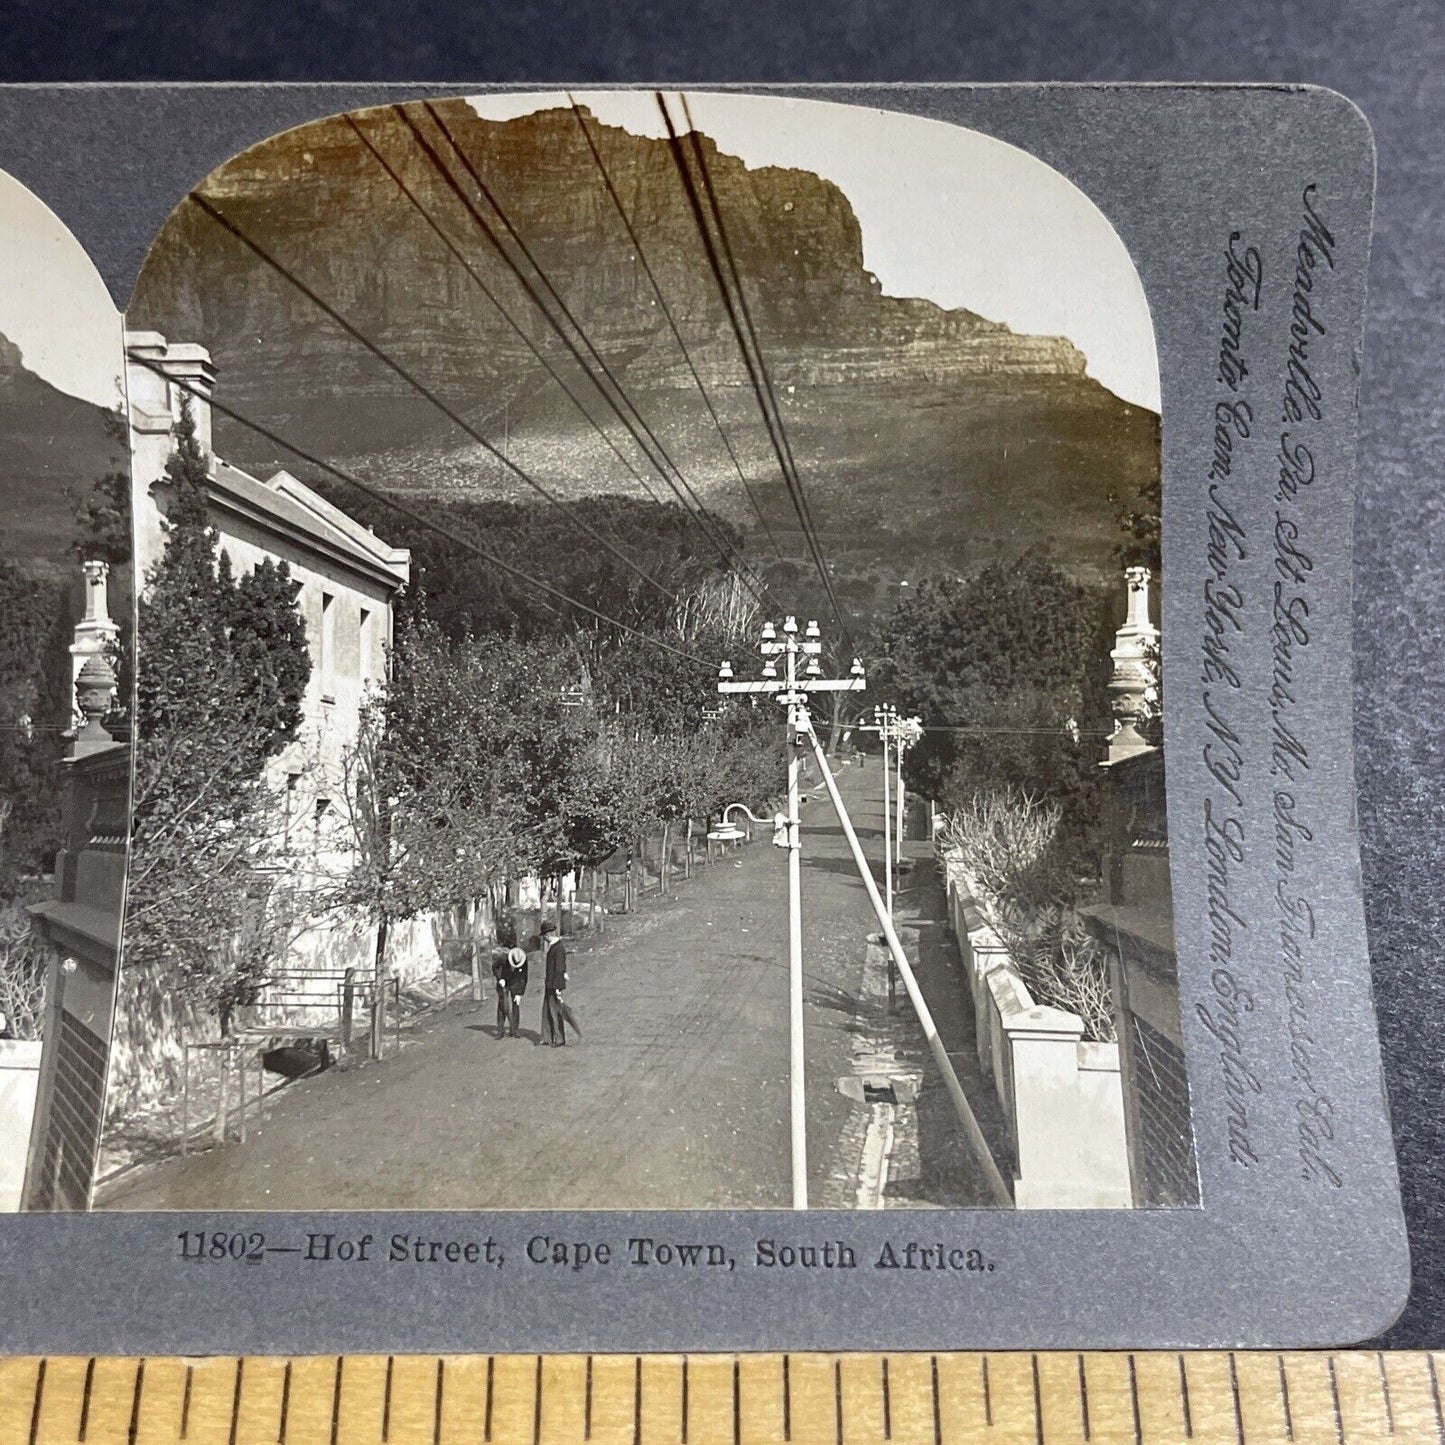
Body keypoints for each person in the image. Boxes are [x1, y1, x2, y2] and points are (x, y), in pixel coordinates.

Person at [539, 919, 569, 1046]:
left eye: (544, 936)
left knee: (555, 1011)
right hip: (550, 983)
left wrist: (558, 988)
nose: (544, 939)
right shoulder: (554, 947)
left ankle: (559, 1038)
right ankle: (547, 1037)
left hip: (554, 984)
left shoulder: (558, 948)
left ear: (547, 935)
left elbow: (559, 967)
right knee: (547, 1010)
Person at [491, 945, 527, 1038]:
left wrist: (519, 993)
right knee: (502, 1005)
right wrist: (500, 979)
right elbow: (495, 967)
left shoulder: (524, 960)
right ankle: (500, 1031)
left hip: (515, 982)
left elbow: (524, 977)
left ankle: (514, 1030)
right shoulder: (503, 958)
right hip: (504, 982)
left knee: (516, 1004)